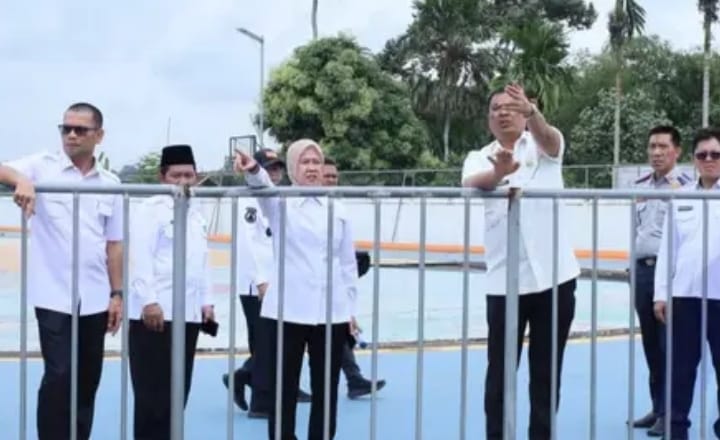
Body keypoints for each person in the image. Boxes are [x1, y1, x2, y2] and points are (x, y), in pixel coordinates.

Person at [461, 84, 580, 440]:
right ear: (488, 118)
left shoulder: (542, 146)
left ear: (525, 112)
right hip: (504, 283)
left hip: (555, 279)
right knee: (499, 374)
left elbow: (551, 139)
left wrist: (533, 114)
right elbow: (472, 184)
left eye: (511, 107)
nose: (503, 112)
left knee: (546, 374)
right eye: (496, 108)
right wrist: (499, 173)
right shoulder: (479, 156)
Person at [0, 102, 123, 440]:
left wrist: (117, 294)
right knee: (59, 373)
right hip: (52, 294)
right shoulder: (41, 166)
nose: (71, 135)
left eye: (80, 129)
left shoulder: (110, 183)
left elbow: (114, 245)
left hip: (95, 296)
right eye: (65, 128)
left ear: (99, 135)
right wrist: (21, 180)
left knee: (87, 378)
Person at [235, 139, 358, 439]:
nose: (312, 168)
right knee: (284, 389)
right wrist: (253, 170)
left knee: (326, 390)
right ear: (292, 168)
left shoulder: (338, 209)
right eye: (305, 162)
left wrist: (351, 309)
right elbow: (262, 188)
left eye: (317, 162)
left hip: (330, 312)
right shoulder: (281, 203)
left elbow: (347, 264)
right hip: (287, 310)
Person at [127, 144, 216, 439]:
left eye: (188, 175)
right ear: (162, 177)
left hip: (187, 314)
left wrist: (207, 302)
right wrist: (149, 302)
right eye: (176, 175)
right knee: (151, 397)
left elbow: (201, 260)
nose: (183, 182)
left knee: (178, 395)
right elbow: (139, 257)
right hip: (154, 314)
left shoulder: (196, 211)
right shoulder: (150, 210)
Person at [222, 149, 311, 419]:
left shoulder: (280, 197)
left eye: (278, 168)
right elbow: (250, 244)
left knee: (280, 339)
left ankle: (250, 378)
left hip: (278, 280)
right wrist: (260, 280)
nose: (275, 172)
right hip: (257, 285)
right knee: (265, 341)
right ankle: (260, 400)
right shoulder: (249, 200)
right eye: (269, 168)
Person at [654, 128, 720, 440]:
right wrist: (661, 294)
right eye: (702, 154)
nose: (709, 159)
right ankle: (677, 430)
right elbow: (668, 249)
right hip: (685, 299)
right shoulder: (681, 197)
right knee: (679, 372)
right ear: (693, 159)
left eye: (716, 154)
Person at [630, 125, 691, 436]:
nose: (656, 152)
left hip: (671, 274)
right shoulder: (640, 186)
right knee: (651, 346)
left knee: (670, 346)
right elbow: (636, 230)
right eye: (652, 146)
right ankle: (657, 407)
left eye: (663, 146)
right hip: (642, 271)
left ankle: (671, 413)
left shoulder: (686, 187)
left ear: (677, 151)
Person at [323, 157, 387, 398]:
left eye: (334, 176)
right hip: (310, 283)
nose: (331, 180)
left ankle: (354, 379)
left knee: (340, 330)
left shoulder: (339, 208)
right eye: (326, 176)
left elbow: (344, 253)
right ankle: (247, 372)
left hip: (333, 283)